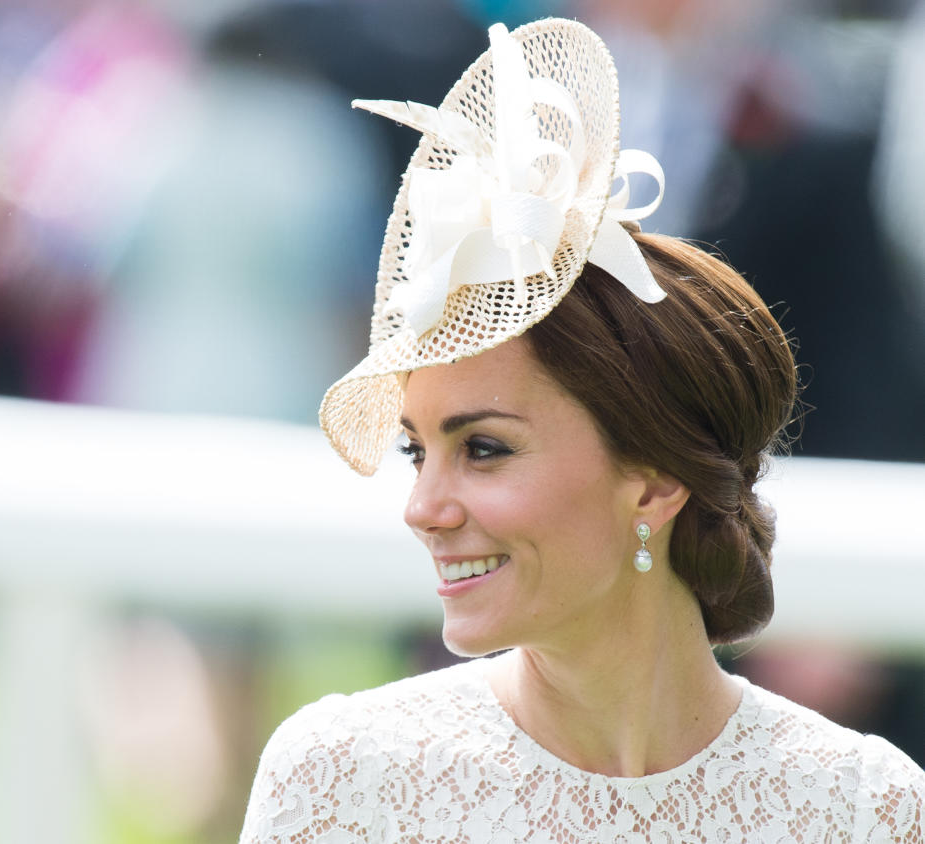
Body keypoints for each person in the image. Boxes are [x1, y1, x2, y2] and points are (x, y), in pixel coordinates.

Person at [239, 18, 925, 843]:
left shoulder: (860, 805)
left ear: (655, 477)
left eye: (483, 449)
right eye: (417, 450)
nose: (423, 507)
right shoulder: (342, 778)